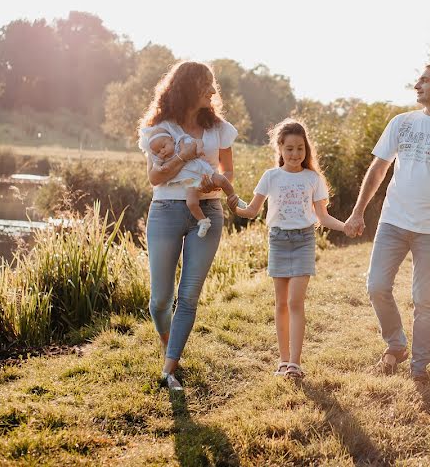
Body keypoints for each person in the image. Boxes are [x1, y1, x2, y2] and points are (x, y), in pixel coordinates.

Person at [344, 63, 430, 384]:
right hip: (393, 220)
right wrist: (358, 210)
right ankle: (396, 344)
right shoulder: (401, 123)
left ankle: (419, 365)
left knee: (424, 299)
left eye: (424, 80)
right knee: (376, 286)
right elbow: (378, 168)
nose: (417, 85)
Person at [138, 61, 238, 391]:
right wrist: (183, 158)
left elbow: (229, 172)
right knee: (159, 300)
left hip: (207, 212)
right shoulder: (161, 129)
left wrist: (213, 185)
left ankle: (169, 369)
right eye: (205, 84)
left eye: (213, 84)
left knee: (189, 296)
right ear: (186, 87)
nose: (213, 90)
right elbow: (155, 176)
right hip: (165, 209)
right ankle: (170, 346)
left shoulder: (219, 128)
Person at [228, 119, 347, 379]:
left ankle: (295, 363)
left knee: (295, 301)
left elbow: (323, 217)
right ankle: (282, 361)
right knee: (281, 303)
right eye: (290, 148)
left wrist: (346, 227)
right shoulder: (271, 177)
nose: (295, 154)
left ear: (307, 150)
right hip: (278, 241)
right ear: (280, 148)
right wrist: (230, 200)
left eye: (300, 149)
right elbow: (251, 211)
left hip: (304, 240)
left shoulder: (313, 178)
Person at [145, 125, 236, 237]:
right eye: (158, 151)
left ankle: (232, 195)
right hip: (190, 182)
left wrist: (199, 148)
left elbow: (197, 141)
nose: (162, 152)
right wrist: (161, 168)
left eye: (163, 147)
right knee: (191, 202)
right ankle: (203, 221)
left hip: (203, 172)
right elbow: (155, 169)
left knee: (221, 179)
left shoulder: (180, 142)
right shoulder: (163, 159)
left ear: (171, 140)